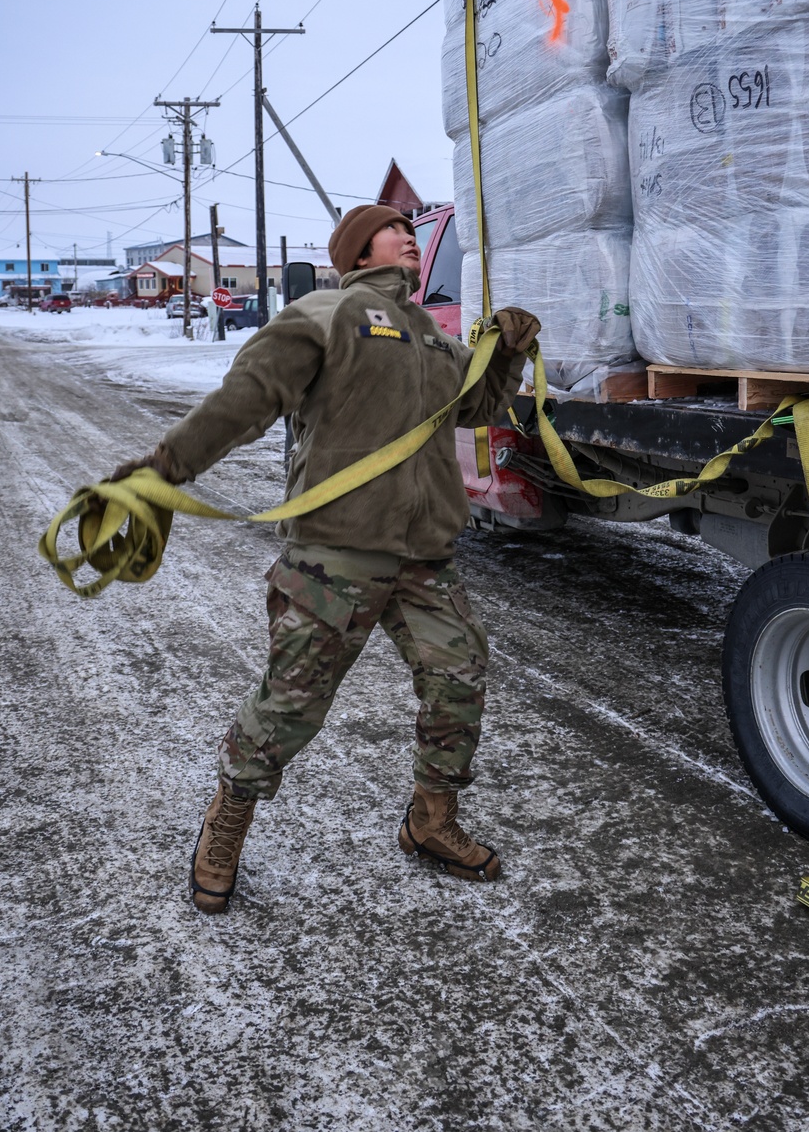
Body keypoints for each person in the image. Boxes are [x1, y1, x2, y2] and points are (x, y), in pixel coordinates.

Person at [114, 204, 539, 913]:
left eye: (411, 229)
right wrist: (166, 467)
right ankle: (226, 823)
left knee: (458, 678)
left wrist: (508, 353)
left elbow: (478, 408)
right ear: (357, 249)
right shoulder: (326, 313)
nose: (409, 235)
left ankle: (430, 821)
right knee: (292, 701)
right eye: (393, 228)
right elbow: (247, 400)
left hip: (424, 554)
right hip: (335, 553)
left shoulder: (432, 338)